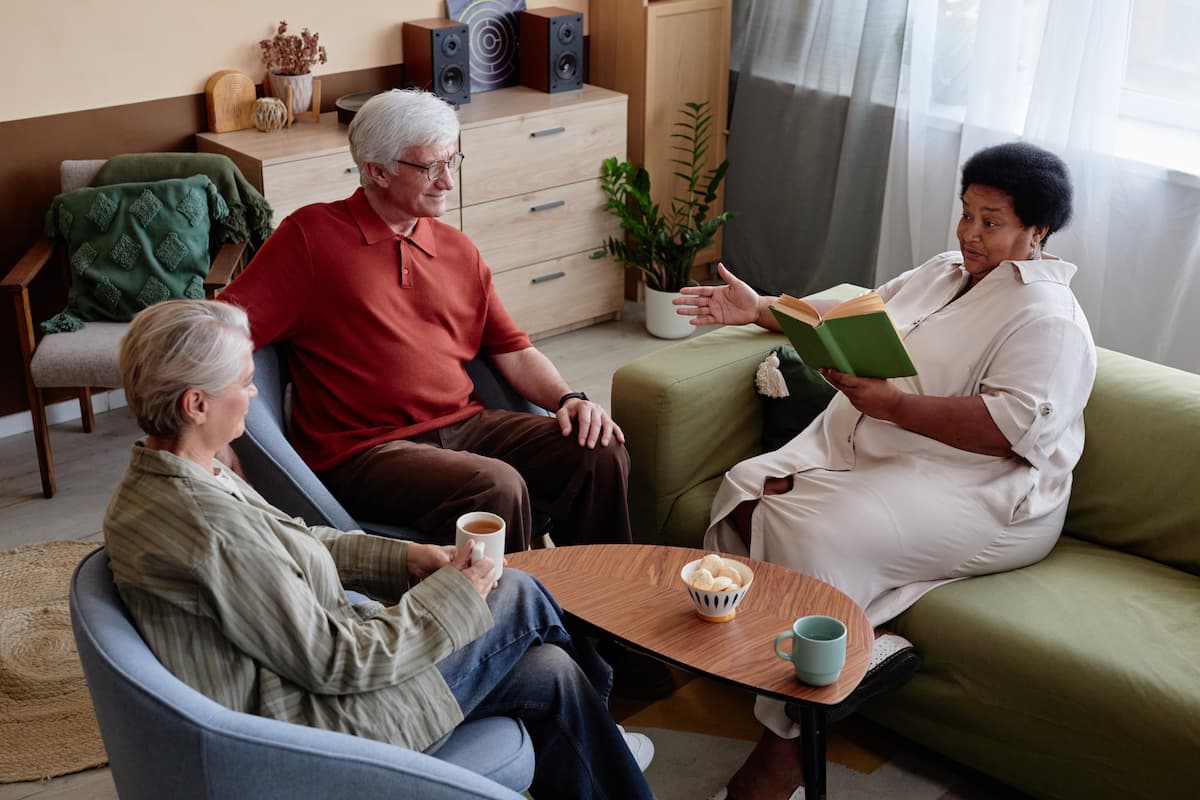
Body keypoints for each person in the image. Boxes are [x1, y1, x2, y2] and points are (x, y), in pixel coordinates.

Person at [675, 141, 1096, 800]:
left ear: (1037, 232)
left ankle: (787, 745)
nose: (969, 233)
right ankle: (861, 643)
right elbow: (849, 321)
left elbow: (1004, 431)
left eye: (991, 221)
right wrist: (760, 308)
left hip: (987, 489)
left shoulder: (1050, 321)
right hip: (884, 448)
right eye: (965, 214)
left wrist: (894, 404)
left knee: (809, 526)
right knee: (751, 491)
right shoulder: (942, 270)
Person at [103, 299, 655, 799]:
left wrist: (408, 558)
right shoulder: (208, 527)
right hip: (319, 726)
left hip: (309, 688)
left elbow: (295, 540)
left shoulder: (179, 474)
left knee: (553, 671)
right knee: (518, 591)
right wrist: (451, 595)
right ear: (196, 404)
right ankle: (612, 697)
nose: (254, 394)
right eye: (245, 382)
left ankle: (602, 725)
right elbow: (335, 659)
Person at [217, 88, 631, 552]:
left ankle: (598, 605)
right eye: (431, 167)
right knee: (496, 486)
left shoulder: (458, 249)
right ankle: (511, 618)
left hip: (466, 426)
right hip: (365, 452)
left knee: (599, 449)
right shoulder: (311, 238)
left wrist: (569, 398)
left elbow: (513, 349)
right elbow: (222, 327)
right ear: (377, 170)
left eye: (452, 161)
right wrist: (217, 429)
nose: (448, 182)